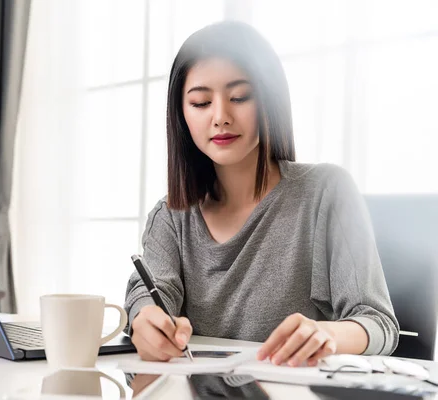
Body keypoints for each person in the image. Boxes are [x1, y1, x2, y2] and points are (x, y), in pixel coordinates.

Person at [124, 20, 398, 368]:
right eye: (201, 102)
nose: (221, 117)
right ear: (181, 115)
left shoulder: (326, 192)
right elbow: (148, 292)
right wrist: (144, 318)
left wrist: (328, 335)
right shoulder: (171, 216)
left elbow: (379, 322)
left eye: (239, 97)